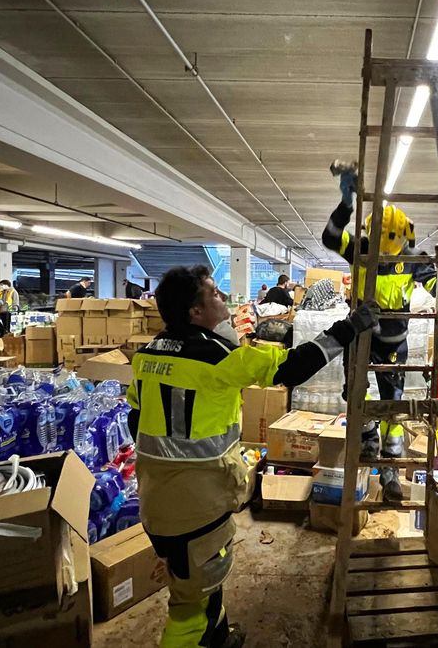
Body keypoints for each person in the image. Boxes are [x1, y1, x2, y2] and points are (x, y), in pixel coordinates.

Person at [127, 265, 377, 648]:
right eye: (213, 294)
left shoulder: (147, 356)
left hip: (156, 498)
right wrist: (347, 329)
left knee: (202, 578)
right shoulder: (219, 357)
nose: (222, 298)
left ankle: (217, 636)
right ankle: (194, 637)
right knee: (189, 605)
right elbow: (292, 367)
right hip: (196, 502)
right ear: (195, 312)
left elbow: (135, 418)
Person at [323, 161, 438, 501]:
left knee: (392, 409)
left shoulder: (412, 259)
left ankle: (390, 472)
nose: (381, 254)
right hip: (362, 338)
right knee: (355, 395)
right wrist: (346, 202)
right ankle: (367, 442)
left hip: (395, 346)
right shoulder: (362, 249)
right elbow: (330, 237)